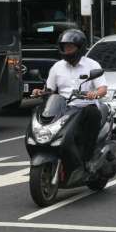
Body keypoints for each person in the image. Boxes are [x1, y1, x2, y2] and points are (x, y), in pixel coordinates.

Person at [32, 29, 108, 170]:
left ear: (79, 48)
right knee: (41, 115)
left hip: (85, 106)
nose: (67, 50)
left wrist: (95, 94)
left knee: (93, 115)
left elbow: (103, 89)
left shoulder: (92, 65)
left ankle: (88, 159)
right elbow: (50, 90)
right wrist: (40, 92)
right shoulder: (57, 67)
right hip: (63, 107)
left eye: (70, 47)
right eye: (64, 47)